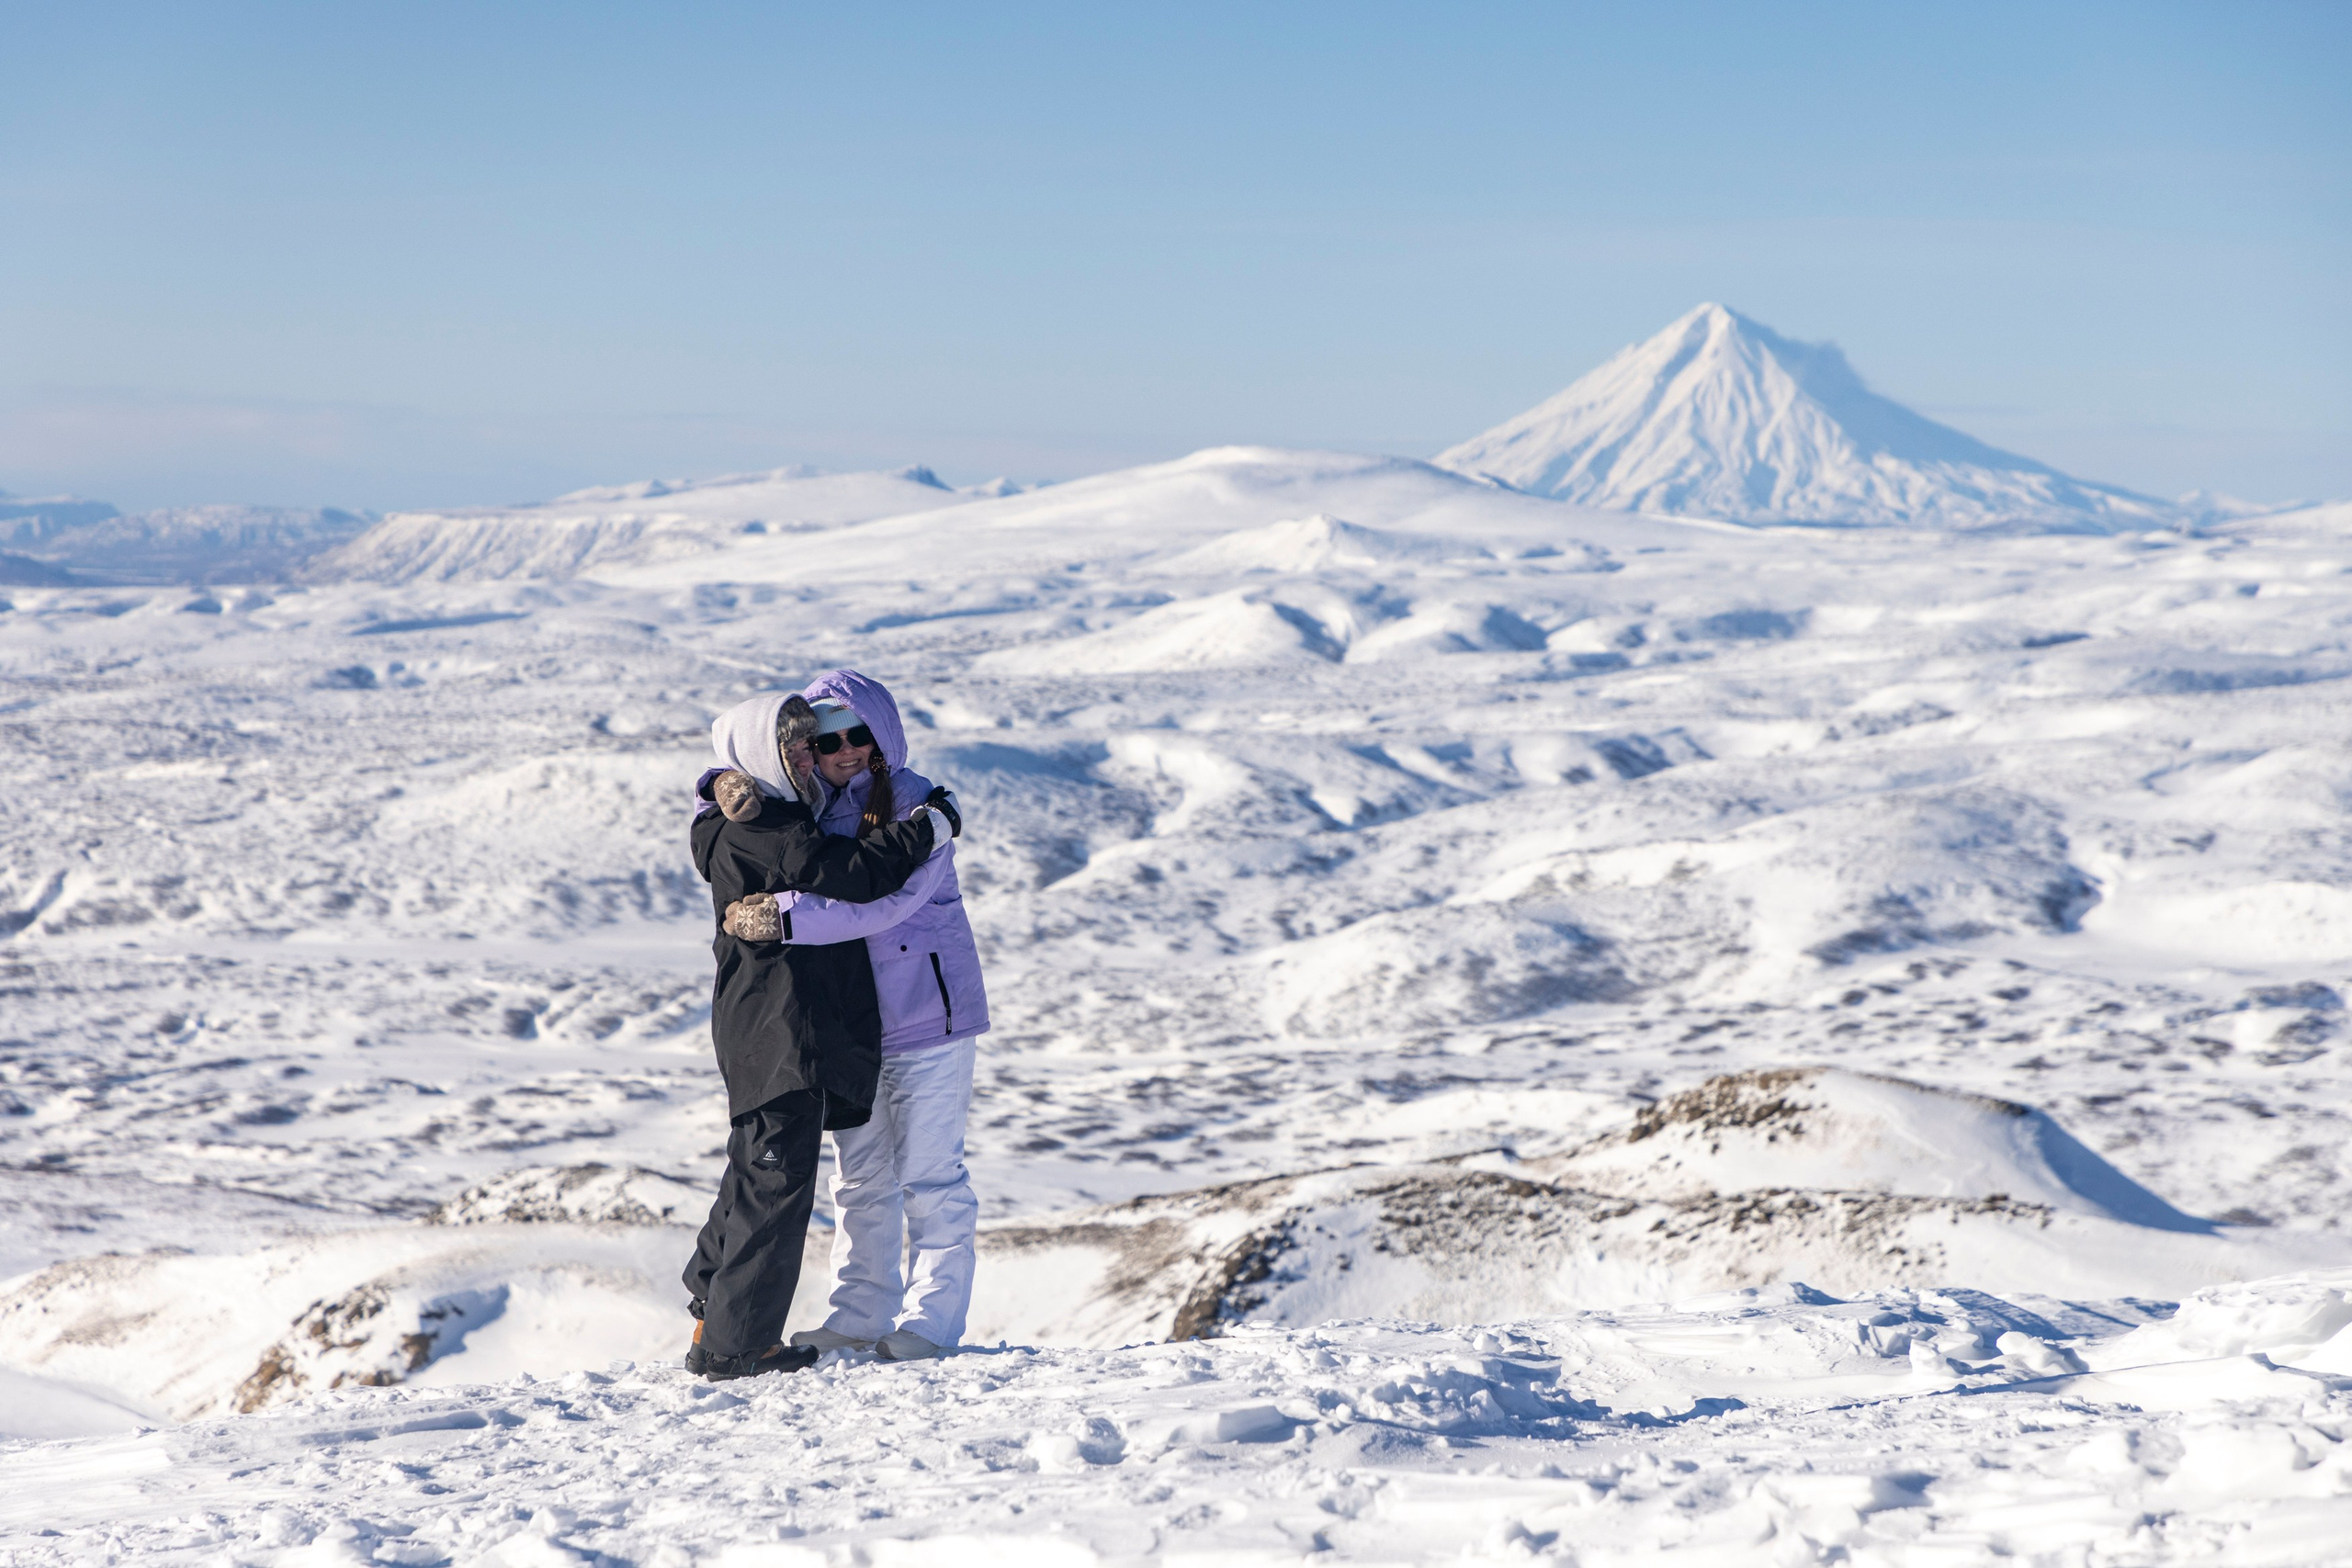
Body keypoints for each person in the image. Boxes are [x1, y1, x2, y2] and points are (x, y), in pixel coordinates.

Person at [718, 670, 990, 1362]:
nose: (842, 749)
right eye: (825, 736)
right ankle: (861, 1311)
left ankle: (933, 1321)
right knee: (861, 1179)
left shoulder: (915, 804)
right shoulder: (813, 802)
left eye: (856, 734)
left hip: (930, 1020)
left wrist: (780, 918)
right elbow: (743, 759)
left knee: (930, 1175)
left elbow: (884, 902)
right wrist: (718, 786)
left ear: (882, 733)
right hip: (856, 1027)